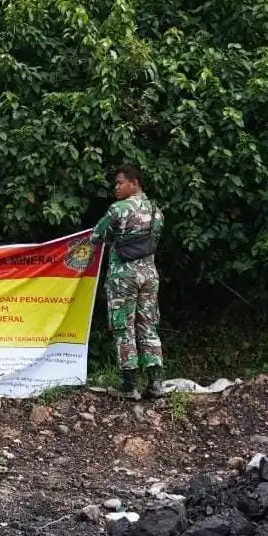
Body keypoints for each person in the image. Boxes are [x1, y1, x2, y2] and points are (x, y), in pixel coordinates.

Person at [85, 163, 165, 400]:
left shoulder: (118, 210)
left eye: (120, 183)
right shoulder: (156, 211)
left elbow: (96, 237)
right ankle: (156, 383)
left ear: (135, 183)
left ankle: (129, 385)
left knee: (123, 328)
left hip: (124, 277)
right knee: (148, 326)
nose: (116, 188)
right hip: (149, 275)